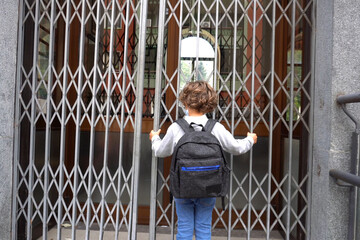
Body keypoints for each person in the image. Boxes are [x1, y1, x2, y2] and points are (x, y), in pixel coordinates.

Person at [149, 81, 257, 240]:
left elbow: (160, 151)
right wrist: (250, 140)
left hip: (182, 187)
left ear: (184, 102)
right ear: (209, 103)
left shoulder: (176, 127)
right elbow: (235, 147)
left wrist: (155, 138)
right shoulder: (216, 127)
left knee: (184, 228)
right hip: (209, 186)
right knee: (204, 227)